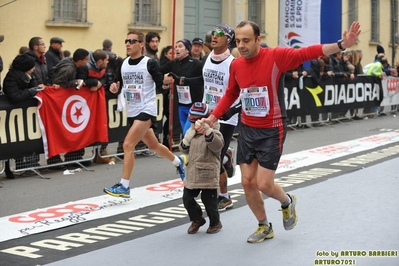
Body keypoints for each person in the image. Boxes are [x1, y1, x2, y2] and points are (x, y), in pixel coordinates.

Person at [196, 20, 361, 243]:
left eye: (246, 40)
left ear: (258, 40)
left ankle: (287, 201)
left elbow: (308, 52)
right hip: (247, 128)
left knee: (264, 184)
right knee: (247, 182)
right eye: (238, 41)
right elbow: (230, 94)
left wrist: (342, 44)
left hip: (272, 129)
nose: (241, 45)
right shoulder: (236, 65)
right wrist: (212, 117)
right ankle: (264, 226)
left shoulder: (275, 56)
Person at [103, 30, 186, 198]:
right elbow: (117, 84)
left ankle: (124, 186)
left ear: (141, 44)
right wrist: (114, 88)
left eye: (132, 41)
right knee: (153, 146)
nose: (127, 43)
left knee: (127, 145)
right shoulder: (124, 64)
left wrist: (166, 82)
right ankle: (179, 162)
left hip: (147, 109)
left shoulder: (150, 63)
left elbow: (159, 84)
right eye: (126, 40)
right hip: (132, 110)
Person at [175, 23, 238, 211]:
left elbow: (241, 92)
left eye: (219, 34)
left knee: (213, 156)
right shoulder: (208, 57)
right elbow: (203, 80)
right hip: (207, 114)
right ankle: (226, 156)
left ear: (228, 39)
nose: (214, 36)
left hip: (226, 118)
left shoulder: (233, 63)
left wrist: (231, 111)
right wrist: (182, 81)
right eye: (213, 33)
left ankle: (225, 197)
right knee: (207, 151)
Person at [180, 102, 224, 234]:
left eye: (196, 122)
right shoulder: (191, 132)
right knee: (187, 198)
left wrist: (208, 132)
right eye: (191, 122)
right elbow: (183, 150)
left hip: (208, 174)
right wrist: (186, 140)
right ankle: (197, 218)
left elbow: (218, 146)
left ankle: (215, 222)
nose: (194, 125)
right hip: (193, 172)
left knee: (209, 202)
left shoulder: (214, 132)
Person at [3, 54, 46, 173]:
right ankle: (12, 167)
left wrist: (36, 88)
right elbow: (14, 96)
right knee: (13, 140)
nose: (34, 69)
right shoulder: (11, 77)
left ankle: (30, 164)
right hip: (13, 113)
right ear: (25, 67)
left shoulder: (29, 75)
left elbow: (34, 86)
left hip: (27, 113)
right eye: (32, 67)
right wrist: (30, 91)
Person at [76, 49, 116, 164]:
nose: (108, 63)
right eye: (106, 60)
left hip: (97, 102)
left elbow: (103, 79)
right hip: (83, 103)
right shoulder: (85, 67)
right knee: (82, 126)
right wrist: (94, 82)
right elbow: (81, 80)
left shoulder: (102, 68)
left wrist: (99, 84)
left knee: (102, 125)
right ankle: (76, 156)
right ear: (100, 61)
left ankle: (101, 152)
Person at [52, 48, 91, 166]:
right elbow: (57, 84)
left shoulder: (71, 63)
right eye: (86, 60)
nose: (87, 62)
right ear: (79, 61)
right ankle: (55, 159)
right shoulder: (68, 68)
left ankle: (70, 157)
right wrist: (74, 83)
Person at [161, 39, 203, 136]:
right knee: (186, 135)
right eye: (175, 47)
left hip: (194, 106)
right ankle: (190, 151)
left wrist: (184, 80)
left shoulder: (196, 64)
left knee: (187, 133)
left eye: (180, 46)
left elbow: (203, 80)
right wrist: (164, 81)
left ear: (187, 50)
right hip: (181, 105)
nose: (177, 49)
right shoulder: (173, 63)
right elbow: (159, 71)